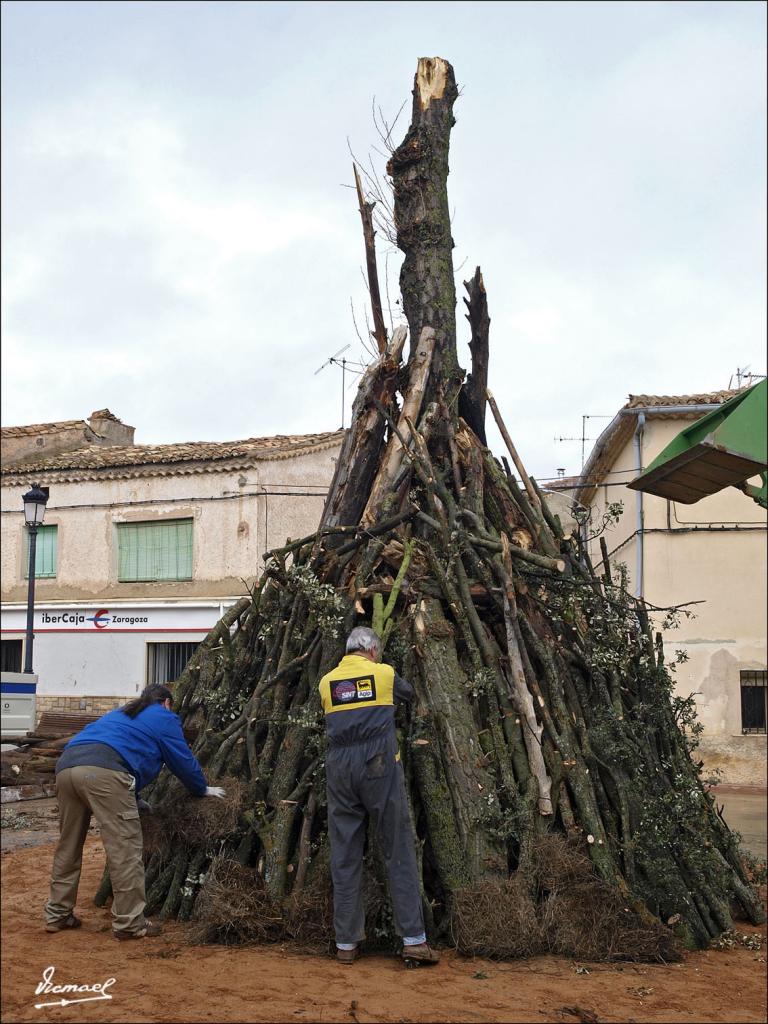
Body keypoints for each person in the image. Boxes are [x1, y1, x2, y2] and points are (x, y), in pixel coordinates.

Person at [44, 683, 225, 940]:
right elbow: (181, 760)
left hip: (66, 768)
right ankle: (130, 923)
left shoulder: (121, 713)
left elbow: (118, 747)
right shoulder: (164, 716)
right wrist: (201, 788)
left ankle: (57, 914)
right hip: (103, 773)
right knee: (125, 849)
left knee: (68, 846)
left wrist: (134, 797)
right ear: (166, 702)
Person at [318, 626, 439, 966]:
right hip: (378, 763)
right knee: (397, 847)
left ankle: (345, 944)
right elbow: (409, 693)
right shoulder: (383, 674)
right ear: (371, 650)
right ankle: (414, 940)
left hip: (339, 767)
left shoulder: (327, 683)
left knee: (344, 854)